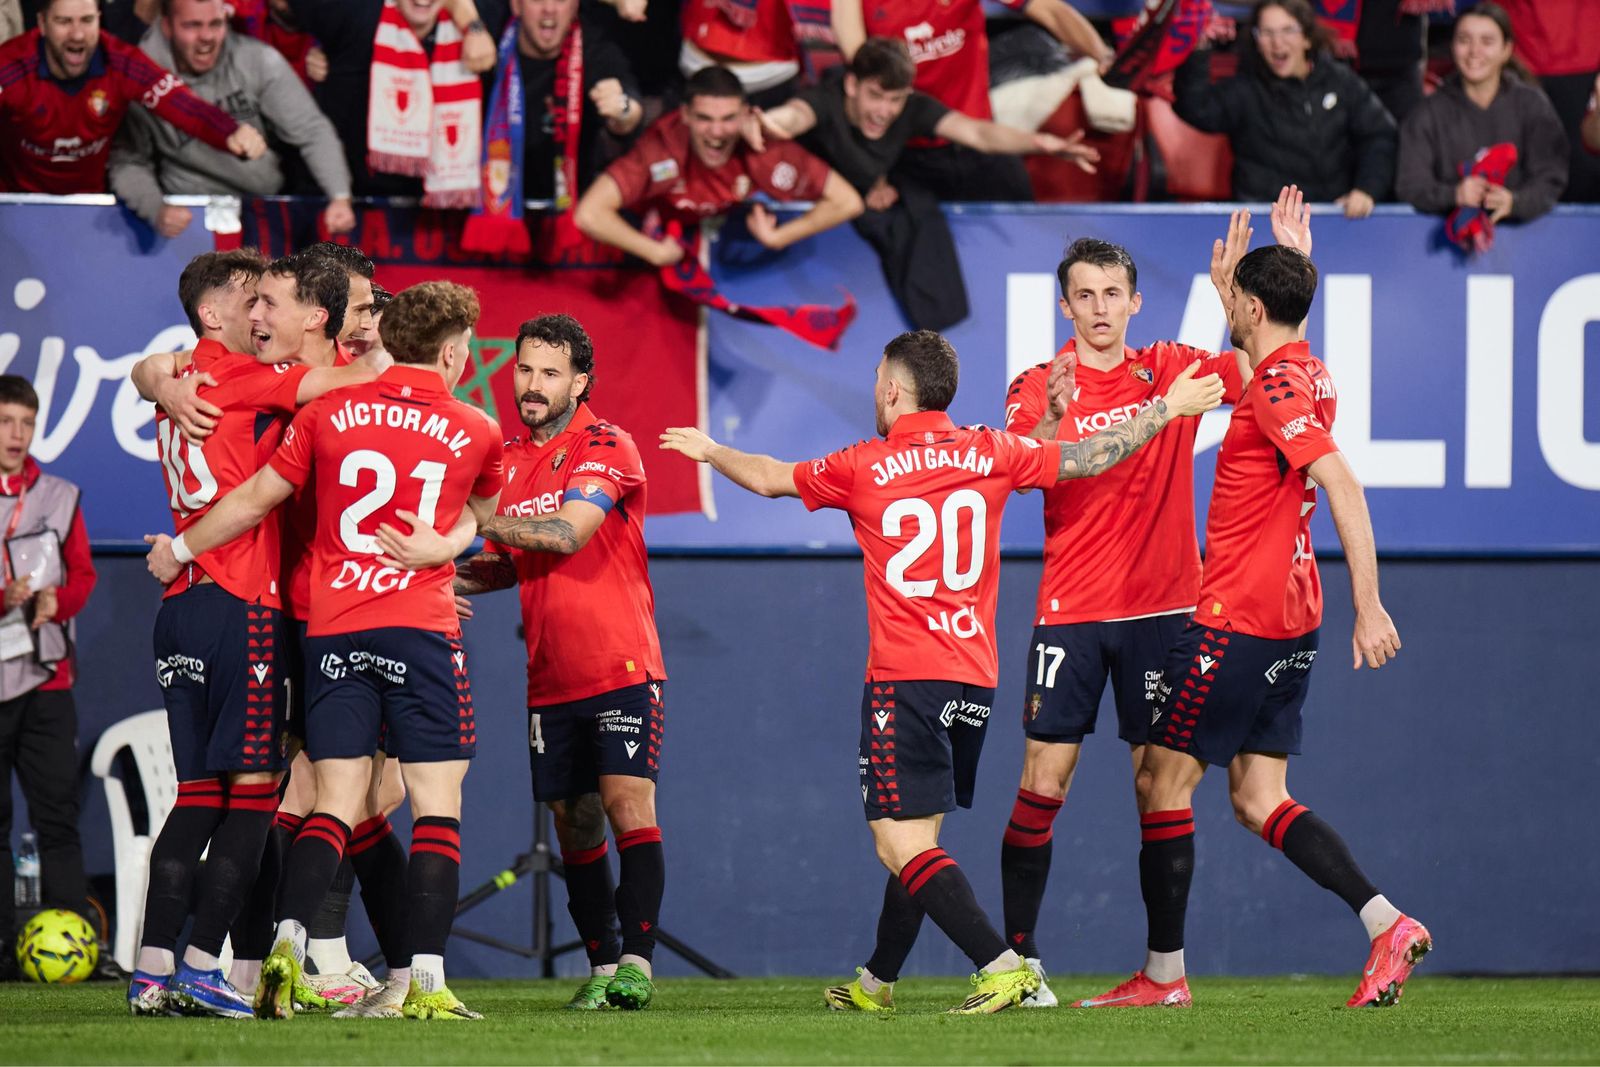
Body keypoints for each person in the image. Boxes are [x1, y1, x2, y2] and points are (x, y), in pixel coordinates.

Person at [660, 331, 1225, 1015]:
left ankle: (1003, 963)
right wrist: (1163, 409)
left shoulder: (864, 463)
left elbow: (771, 476)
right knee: (920, 837)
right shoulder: (989, 449)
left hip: (905, 678)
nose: (875, 388)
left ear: (894, 389)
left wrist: (712, 449)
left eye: (877, 378)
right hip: (972, 680)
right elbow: (1087, 455)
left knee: (896, 839)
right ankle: (877, 981)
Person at [1074, 212, 1430, 1012]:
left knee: (1161, 784)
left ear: (1256, 310)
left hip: (1238, 617)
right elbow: (1254, 351)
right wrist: (1270, 274)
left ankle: (1163, 978)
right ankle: (1387, 921)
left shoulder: (1271, 388)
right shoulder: (1306, 372)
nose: (1229, 305)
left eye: (1238, 299)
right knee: (1257, 798)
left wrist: (1369, 606)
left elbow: (1343, 482)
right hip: (1289, 623)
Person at [144, 280, 504, 1022]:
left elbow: (251, 499)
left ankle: (285, 944)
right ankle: (423, 984)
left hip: (329, 621)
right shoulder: (474, 425)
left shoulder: (328, 411)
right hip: (416, 618)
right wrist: (444, 544)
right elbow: (484, 516)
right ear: (451, 350)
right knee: (433, 803)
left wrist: (180, 546)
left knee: (332, 803)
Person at [995, 222, 1262, 1006]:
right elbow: (1025, 465)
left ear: (1137, 301)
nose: (1100, 307)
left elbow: (1257, 375)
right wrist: (1050, 419)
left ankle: (1165, 973)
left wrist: (1235, 308)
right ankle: (1019, 962)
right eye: (1086, 295)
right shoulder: (1037, 382)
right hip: (1071, 609)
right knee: (1044, 776)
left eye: (1113, 293)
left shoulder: (1172, 367)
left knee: (1159, 785)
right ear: (1066, 305)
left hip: (1163, 609)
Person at [126, 250, 380, 1018]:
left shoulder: (185, 380)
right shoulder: (236, 376)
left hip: (180, 609)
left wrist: (153, 376)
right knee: (254, 795)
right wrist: (379, 338)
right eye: (250, 299)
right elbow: (353, 382)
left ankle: (150, 972)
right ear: (213, 315)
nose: (259, 313)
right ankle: (209, 965)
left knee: (198, 794)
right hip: (241, 602)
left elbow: (149, 372)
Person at [454, 314, 667, 1012]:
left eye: (550, 372)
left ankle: (637, 962)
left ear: (580, 381)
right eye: (523, 369)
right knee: (573, 822)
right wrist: (429, 579)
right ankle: (604, 970)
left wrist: (479, 521)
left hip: (622, 662)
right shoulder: (509, 460)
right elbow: (504, 565)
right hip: (550, 676)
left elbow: (566, 533)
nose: (533, 384)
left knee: (626, 803)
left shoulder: (609, 444)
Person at [751, 36, 1098, 332]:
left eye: (896, 99)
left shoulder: (912, 110)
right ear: (852, 85)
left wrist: (1041, 143)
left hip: (867, 192)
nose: (885, 111)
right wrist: (768, 122)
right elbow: (795, 116)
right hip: (802, 196)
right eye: (875, 95)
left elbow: (977, 132)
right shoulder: (824, 101)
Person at [107, 0, 354, 239]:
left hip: (263, 207)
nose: (207, 37)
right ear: (167, 26)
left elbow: (312, 130)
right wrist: (155, 209)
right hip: (186, 214)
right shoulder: (140, 76)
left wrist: (339, 196)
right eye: (192, 25)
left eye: (215, 24)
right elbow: (128, 161)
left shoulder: (256, 60)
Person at [574, 64, 862, 268]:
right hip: (656, 223)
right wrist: (654, 252)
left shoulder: (762, 148)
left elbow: (847, 201)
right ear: (685, 115)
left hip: (724, 231)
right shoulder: (660, 150)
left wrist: (779, 237)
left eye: (728, 118)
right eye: (705, 118)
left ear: (746, 115)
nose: (717, 131)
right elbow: (589, 213)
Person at [0, 376, 95, 980]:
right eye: (6, 422)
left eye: (26, 424)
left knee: (57, 816)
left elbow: (83, 574)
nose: (17, 435)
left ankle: (72, 947)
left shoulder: (60, 493)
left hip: (46, 677)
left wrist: (54, 600)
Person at [829, 0, 1111, 201]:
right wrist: (872, 164)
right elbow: (860, 66)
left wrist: (1104, 57)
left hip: (979, 142)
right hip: (905, 156)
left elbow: (1048, 9)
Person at [0, 0, 265, 192]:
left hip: (88, 208)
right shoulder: (10, 67)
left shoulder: (121, 62)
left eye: (87, 20)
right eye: (64, 21)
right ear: (42, 24)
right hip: (13, 204)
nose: (77, 34)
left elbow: (182, 104)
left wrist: (229, 132)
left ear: (99, 19)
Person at [1174, 0, 1396, 216]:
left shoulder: (1340, 81)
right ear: (1256, 41)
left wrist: (1367, 189)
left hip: (1333, 219)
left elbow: (1379, 135)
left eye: (1288, 30)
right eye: (1267, 33)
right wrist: (1198, 52)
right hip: (1266, 226)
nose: (1277, 43)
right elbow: (1197, 107)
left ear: (1307, 38)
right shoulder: (1246, 89)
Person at [283, 0, 506, 199]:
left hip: (443, 211)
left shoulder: (480, 17)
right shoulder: (356, 13)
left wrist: (473, 24)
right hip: (350, 202)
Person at [1395, 3, 1569, 228]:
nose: (1474, 51)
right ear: (1452, 47)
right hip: (1441, 248)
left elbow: (1551, 175)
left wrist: (1516, 202)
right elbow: (1409, 185)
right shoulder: (1427, 113)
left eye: (1487, 42)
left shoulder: (1532, 105)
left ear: (1506, 50)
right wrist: (1454, 195)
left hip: (1524, 239)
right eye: (1464, 40)